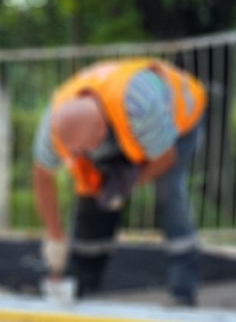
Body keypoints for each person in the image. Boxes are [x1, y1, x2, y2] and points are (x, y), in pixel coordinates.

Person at [32, 58, 207, 305]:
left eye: (86, 149)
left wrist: (126, 184)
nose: (80, 156)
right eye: (75, 152)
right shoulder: (54, 124)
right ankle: (81, 285)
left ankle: (183, 290)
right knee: (91, 196)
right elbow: (42, 178)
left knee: (169, 193)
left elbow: (165, 159)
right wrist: (54, 235)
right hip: (122, 122)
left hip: (178, 123)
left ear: (101, 128)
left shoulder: (139, 108)